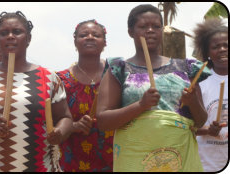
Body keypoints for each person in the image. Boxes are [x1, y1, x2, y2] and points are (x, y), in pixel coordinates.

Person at [96, 4, 210, 172]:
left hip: (179, 158)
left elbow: (200, 121)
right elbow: (103, 121)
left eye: (156, 26)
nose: (150, 30)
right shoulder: (119, 69)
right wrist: (140, 106)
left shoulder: (186, 68)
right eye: (143, 26)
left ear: (162, 30)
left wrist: (193, 102)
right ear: (130, 32)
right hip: (135, 159)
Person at [0, 11, 73, 172]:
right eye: (4, 33)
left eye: (17, 32)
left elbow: (65, 117)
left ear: (29, 39)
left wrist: (59, 132)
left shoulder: (49, 78)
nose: (10, 36)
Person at [56, 19, 113, 172]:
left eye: (96, 35)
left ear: (105, 43)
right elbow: (50, 121)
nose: (89, 37)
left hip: (113, 158)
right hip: (72, 160)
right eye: (83, 35)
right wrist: (73, 126)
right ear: (75, 42)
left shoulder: (116, 74)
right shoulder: (59, 80)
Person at [194, 18, 228, 172]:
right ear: (207, 53)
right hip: (207, 164)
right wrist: (208, 130)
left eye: (226, 45)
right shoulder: (200, 83)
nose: (222, 49)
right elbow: (189, 126)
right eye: (216, 46)